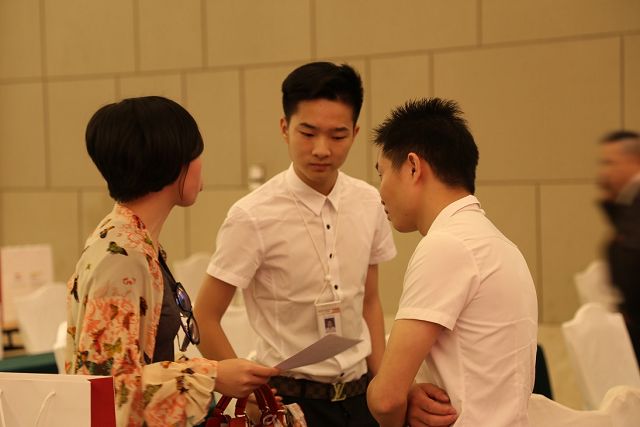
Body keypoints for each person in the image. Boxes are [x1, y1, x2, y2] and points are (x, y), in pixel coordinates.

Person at [194, 62, 397, 427]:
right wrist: (251, 395)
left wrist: (383, 390)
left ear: (354, 133)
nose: (322, 149)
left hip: (360, 398)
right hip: (289, 402)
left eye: (337, 136)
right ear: (284, 128)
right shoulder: (252, 215)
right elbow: (205, 316)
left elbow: (369, 300)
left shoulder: (369, 202)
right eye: (308, 133)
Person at [65, 96, 279, 427]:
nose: (201, 163)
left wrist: (222, 380)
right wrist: (212, 375)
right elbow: (109, 387)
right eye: (196, 153)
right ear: (172, 162)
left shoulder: (136, 242)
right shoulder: (120, 257)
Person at [367, 98, 538, 426]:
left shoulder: (447, 245)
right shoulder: (498, 243)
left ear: (413, 167)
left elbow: (386, 398)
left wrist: (396, 399)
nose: (380, 191)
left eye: (382, 173)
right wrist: (409, 394)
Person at [597, 130, 640, 362]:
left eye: (610, 163)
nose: (604, 172)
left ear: (633, 161)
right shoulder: (628, 201)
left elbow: (631, 257)